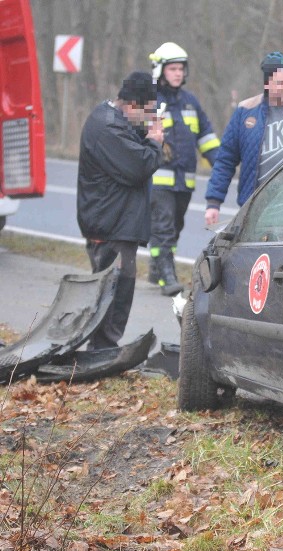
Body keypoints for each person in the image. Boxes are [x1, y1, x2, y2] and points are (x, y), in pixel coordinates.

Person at [77, 71, 163, 350]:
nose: (151, 119)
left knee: (118, 290)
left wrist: (145, 136)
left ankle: (104, 349)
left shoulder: (113, 122)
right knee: (113, 293)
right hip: (110, 224)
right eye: (148, 111)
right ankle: (102, 352)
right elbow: (138, 167)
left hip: (116, 222)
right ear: (132, 104)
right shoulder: (107, 128)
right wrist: (154, 142)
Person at [204, 52, 283, 225]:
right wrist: (214, 202)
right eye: (281, 83)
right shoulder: (246, 112)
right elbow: (225, 160)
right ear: (267, 83)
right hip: (255, 209)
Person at [147, 42, 221, 295]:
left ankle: (156, 268)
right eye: (173, 69)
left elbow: (206, 137)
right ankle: (167, 277)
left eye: (181, 68)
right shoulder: (148, 101)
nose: (178, 73)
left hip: (184, 181)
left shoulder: (191, 102)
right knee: (164, 227)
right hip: (157, 180)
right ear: (160, 70)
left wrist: (220, 162)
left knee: (175, 227)